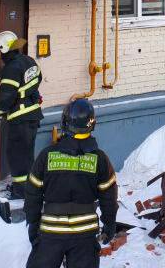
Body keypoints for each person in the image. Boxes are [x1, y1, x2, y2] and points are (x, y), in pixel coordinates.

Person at [23, 98, 118, 268]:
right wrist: (109, 225)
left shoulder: (46, 156)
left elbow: (32, 193)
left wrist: (33, 224)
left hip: (51, 233)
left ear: (65, 123)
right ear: (92, 124)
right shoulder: (100, 159)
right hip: (85, 235)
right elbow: (109, 198)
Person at [0, 30, 42, 199]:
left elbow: (6, 96)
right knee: (27, 155)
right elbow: (38, 78)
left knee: (17, 156)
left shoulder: (11, 69)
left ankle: (21, 191)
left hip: (19, 118)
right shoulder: (28, 60)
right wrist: (26, 92)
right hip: (33, 115)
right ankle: (30, 188)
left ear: (5, 49)